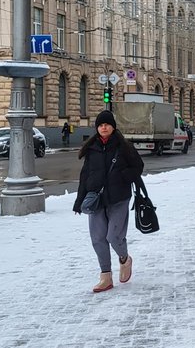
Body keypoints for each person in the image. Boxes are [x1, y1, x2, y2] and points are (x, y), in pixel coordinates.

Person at [73, 110, 144, 293]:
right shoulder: (92, 148)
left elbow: (138, 166)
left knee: (113, 236)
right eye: (100, 125)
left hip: (118, 198)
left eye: (107, 124)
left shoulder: (124, 146)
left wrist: (123, 176)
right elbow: (85, 175)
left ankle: (124, 259)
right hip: (96, 199)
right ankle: (105, 276)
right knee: (98, 238)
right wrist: (79, 200)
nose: (103, 127)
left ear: (113, 127)